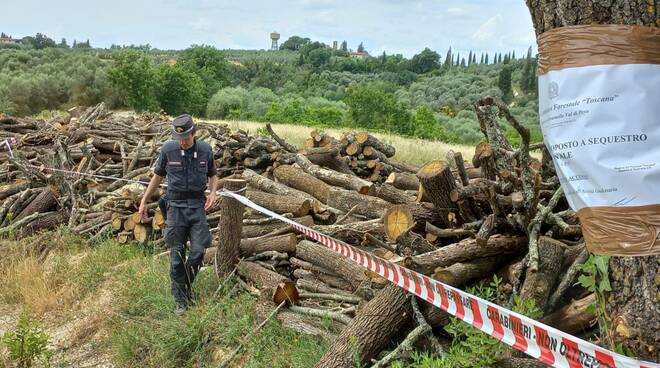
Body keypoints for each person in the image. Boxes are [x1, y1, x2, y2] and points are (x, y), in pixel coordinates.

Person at [139, 114, 218, 315]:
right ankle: (181, 301)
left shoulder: (205, 150)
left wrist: (213, 192)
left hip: (196, 206)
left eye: (186, 138)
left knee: (199, 251)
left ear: (193, 133)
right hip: (174, 207)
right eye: (178, 138)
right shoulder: (168, 150)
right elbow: (157, 177)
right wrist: (144, 200)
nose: (182, 142)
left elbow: (213, 175)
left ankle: (185, 287)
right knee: (176, 256)